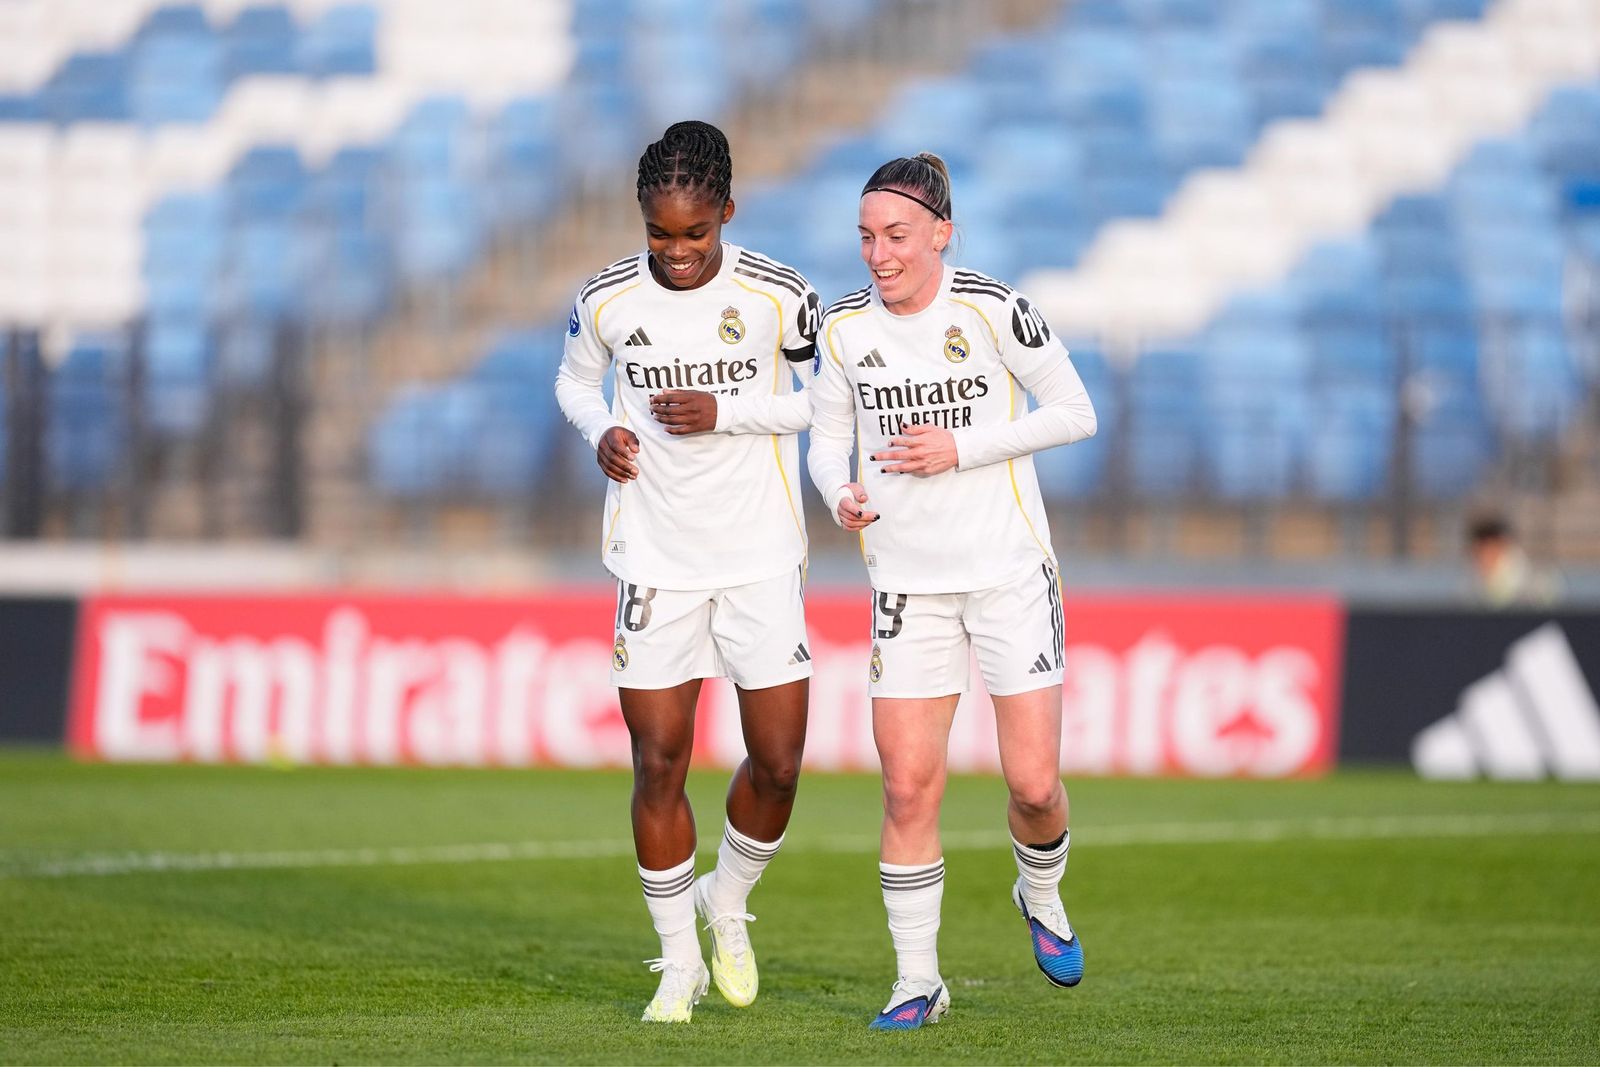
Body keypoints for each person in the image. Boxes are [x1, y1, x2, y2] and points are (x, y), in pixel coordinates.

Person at [657, 152, 1099, 1028]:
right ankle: (916, 981)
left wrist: (961, 449)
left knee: (1037, 785)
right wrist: (840, 493)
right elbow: (825, 440)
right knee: (906, 788)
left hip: (1009, 574)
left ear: (941, 231)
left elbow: (1076, 411)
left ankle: (1039, 894)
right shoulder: (848, 330)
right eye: (865, 236)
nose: (878, 254)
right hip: (906, 585)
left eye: (896, 235)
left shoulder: (995, 308)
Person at [553, 120, 821, 1024]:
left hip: (758, 555)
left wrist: (728, 410)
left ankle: (729, 903)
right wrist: (602, 433)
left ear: (727, 214)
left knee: (779, 763)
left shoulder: (782, 296)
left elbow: (824, 399)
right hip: (655, 559)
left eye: (694, 234)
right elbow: (573, 383)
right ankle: (678, 961)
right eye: (659, 234)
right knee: (658, 760)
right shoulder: (604, 300)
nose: (675, 252)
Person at [1465, 512, 1561, 608]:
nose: (1483, 558)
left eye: (1487, 550)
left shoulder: (1538, 582)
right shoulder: (1470, 584)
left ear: (1501, 544)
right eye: (1477, 552)